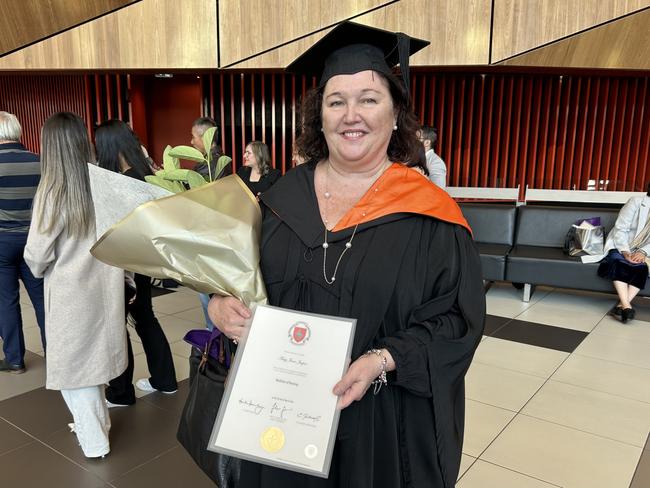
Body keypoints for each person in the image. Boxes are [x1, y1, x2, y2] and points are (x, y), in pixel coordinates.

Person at [207, 22, 484, 488]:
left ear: (396, 116)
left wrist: (383, 358)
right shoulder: (278, 198)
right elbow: (236, 274)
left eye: (369, 99)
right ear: (319, 116)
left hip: (379, 419)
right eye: (336, 101)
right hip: (280, 413)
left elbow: (458, 319)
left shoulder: (430, 213)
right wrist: (220, 303)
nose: (350, 114)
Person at [24, 112, 127, 458]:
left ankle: (95, 440)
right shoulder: (103, 184)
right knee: (93, 364)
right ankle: (98, 424)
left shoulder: (51, 192)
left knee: (74, 372)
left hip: (72, 297)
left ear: (50, 147)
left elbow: (37, 257)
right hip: (106, 289)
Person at [95, 119, 178, 405]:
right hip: (145, 261)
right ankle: (165, 379)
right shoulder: (147, 172)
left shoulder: (124, 181)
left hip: (126, 264)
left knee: (118, 325)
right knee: (146, 319)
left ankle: (120, 392)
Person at [0, 112, 46, 373]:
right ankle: (56, 353)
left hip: (2, 242)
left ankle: (14, 359)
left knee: (5, 301)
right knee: (42, 300)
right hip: (35, 242)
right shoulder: (39, 162)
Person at [598, 186, 650, 323]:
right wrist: (625, 252)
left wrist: (643, 252)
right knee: (618, 262)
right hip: (620, 244)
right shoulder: (636, 202)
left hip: (641, 249)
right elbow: (621, 229)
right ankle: (626, 306)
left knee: (642, 267)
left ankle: (622, 306)